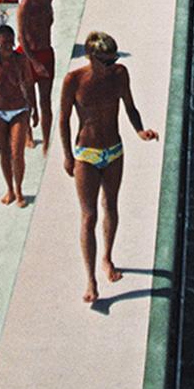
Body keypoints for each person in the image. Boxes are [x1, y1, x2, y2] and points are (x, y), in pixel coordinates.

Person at [59, 30, 158, 305]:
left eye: (114, 58)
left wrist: (140, 131)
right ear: (91, 57)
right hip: (86, 154)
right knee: (88, 216)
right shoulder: (74, 81)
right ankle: (90, 279)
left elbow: (130, 107)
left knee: (111, 206)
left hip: (114, 150)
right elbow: (64, 119)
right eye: (106, 60)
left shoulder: (119, 75)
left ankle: (107, 258)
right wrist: (67, 155)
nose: (111, 64)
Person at [0, 23, 36, 209]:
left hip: (19, 110)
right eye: (5, 42)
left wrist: (35, 110)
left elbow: (29, 84)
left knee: (17, 153)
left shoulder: (21, 60)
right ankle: (9, 189)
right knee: (4, 153)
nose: (9, 46)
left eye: (11, 41)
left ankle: (19, 190)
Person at [18, 0, 58, 155]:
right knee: (28, 101)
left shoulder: (47, 2)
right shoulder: (26, 5)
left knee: (46, 102)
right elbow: (22, 38)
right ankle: (28, 135)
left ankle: (47, 141)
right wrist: (34, 63)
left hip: (46, 53)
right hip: (28, 56)